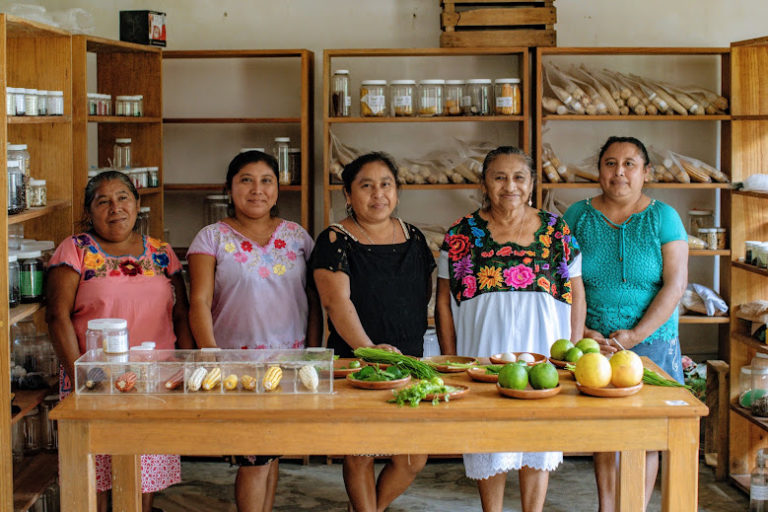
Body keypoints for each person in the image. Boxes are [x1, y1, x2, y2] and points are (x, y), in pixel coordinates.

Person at [435, 146, 585, 512]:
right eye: (499, 177)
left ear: (532, 184)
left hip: (543, 351)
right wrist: (454, 359)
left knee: (538, 439)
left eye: (519, 177)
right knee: (489, 439)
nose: (509, 186)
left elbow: (578, 297)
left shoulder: (556, 231)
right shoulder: (462, 233)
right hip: (484, 352)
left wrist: (571, 352)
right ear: (484, 184)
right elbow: (442, 303)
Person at [47, 170, 194, 512]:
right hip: (95, 379)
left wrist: (185, 367)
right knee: (93, 475)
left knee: (142, 476)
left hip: (154, 379)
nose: (115, 208)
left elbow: (182, 314)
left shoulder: (160, 252)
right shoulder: (76, 250)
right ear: (90, 211)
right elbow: (57, 317)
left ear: (138, 204)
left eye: (123, 198)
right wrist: (82, 380)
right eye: (103, 201)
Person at [187, 150, 321, 512]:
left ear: (278, 190)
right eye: (246, 180)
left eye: (267, 181)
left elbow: (313, 299)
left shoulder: (297, 237)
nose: (257, 189)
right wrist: (210, 352)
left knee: (270, 450)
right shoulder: (211, 238)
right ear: (230, 188)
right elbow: (198, 302)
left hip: (288, 362)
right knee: (253, 454)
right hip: (235, 364)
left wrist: (311, 351)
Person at [564, 136, 688, 512]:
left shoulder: (664, 217)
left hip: (652, 341)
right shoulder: (576, 216)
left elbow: (676, 284)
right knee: (607, 430)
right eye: (610, 163)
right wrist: (583, 332)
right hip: (595, 341)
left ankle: (633, 506)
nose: (619, 172)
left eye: (630, 164)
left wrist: (635, 335)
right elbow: (562, 281)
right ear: (599, 170)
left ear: (646, 172)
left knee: (648, 434)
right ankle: (607, 507)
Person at [310, 152, 435, 512]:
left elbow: (421, 294)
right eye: (366, 186)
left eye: (386, 185)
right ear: (348, 194)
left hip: (409, 362)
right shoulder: (335, 239)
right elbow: (336, 304)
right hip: (358, 363)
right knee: (361, 452)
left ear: (396, 192)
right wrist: (371, 351)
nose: (378, 194)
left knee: (413, 457)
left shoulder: (413, 236)